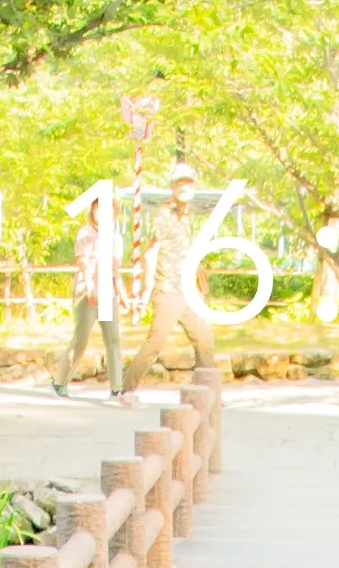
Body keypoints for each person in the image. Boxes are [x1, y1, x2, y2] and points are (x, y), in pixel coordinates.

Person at [120, 162, 217, 394]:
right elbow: (152, 250)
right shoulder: (164, 213)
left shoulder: (188, 215)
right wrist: (147, 287)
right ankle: (125, 390)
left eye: (189, 182)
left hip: (189, 291)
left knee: (205, 341)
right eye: (180, 182)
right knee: (154, 344)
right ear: (173, 186)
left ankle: (205, 393)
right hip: (169, 290)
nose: (185, 186)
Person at [53, 193, 126, 399]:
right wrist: (91, 287)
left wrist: (121, 292)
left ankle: (116, 386)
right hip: (88, 290)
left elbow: (115, 269)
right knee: (81, 338)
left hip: (107, 292)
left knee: (112, 338)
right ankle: (60, 380)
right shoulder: (86, 233)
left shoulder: (115, 238)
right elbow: (83, 262)